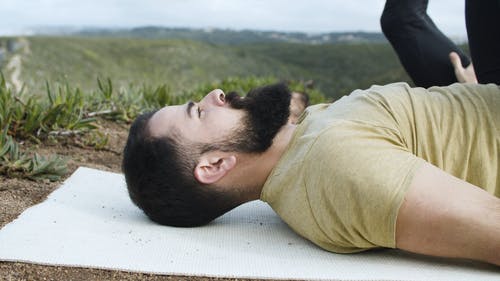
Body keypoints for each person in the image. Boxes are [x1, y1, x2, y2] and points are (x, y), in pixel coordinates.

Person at [122, 80, 500, 266]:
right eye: (200, 113)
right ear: (216, 165)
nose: (216, 93)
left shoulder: (299, 150)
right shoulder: (338, 164)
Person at [380, 0, 500, 87]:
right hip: (483, 90)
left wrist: (473, 88)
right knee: (400, 19)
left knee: (400, 19)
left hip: (481, 97)